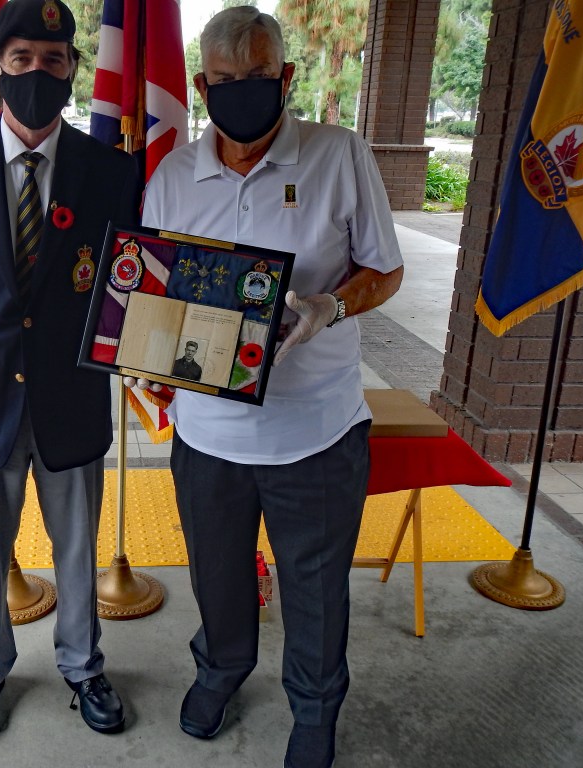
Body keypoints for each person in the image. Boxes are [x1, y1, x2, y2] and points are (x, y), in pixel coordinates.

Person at [134, 7, 404, 767]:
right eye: (225, 80)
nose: (243, 90)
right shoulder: (173, 175)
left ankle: (315, 709)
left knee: (315, 588)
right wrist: (147, 359)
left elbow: (385, 269)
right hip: (206, 434)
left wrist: (332, 306)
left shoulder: (339, 155)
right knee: (218, 576)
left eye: (259, 76)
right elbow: (154, 289)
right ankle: (220, 671)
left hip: (315, 431)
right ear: (201, 86)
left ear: (286, 77)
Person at [0, 0, 141, 746]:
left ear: (73, 71)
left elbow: (119, 278)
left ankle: (82, 665)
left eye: (53, 59)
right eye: (21, 59)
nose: (37, 71)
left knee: (76, 547)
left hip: (71, 393)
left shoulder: (111, 171)